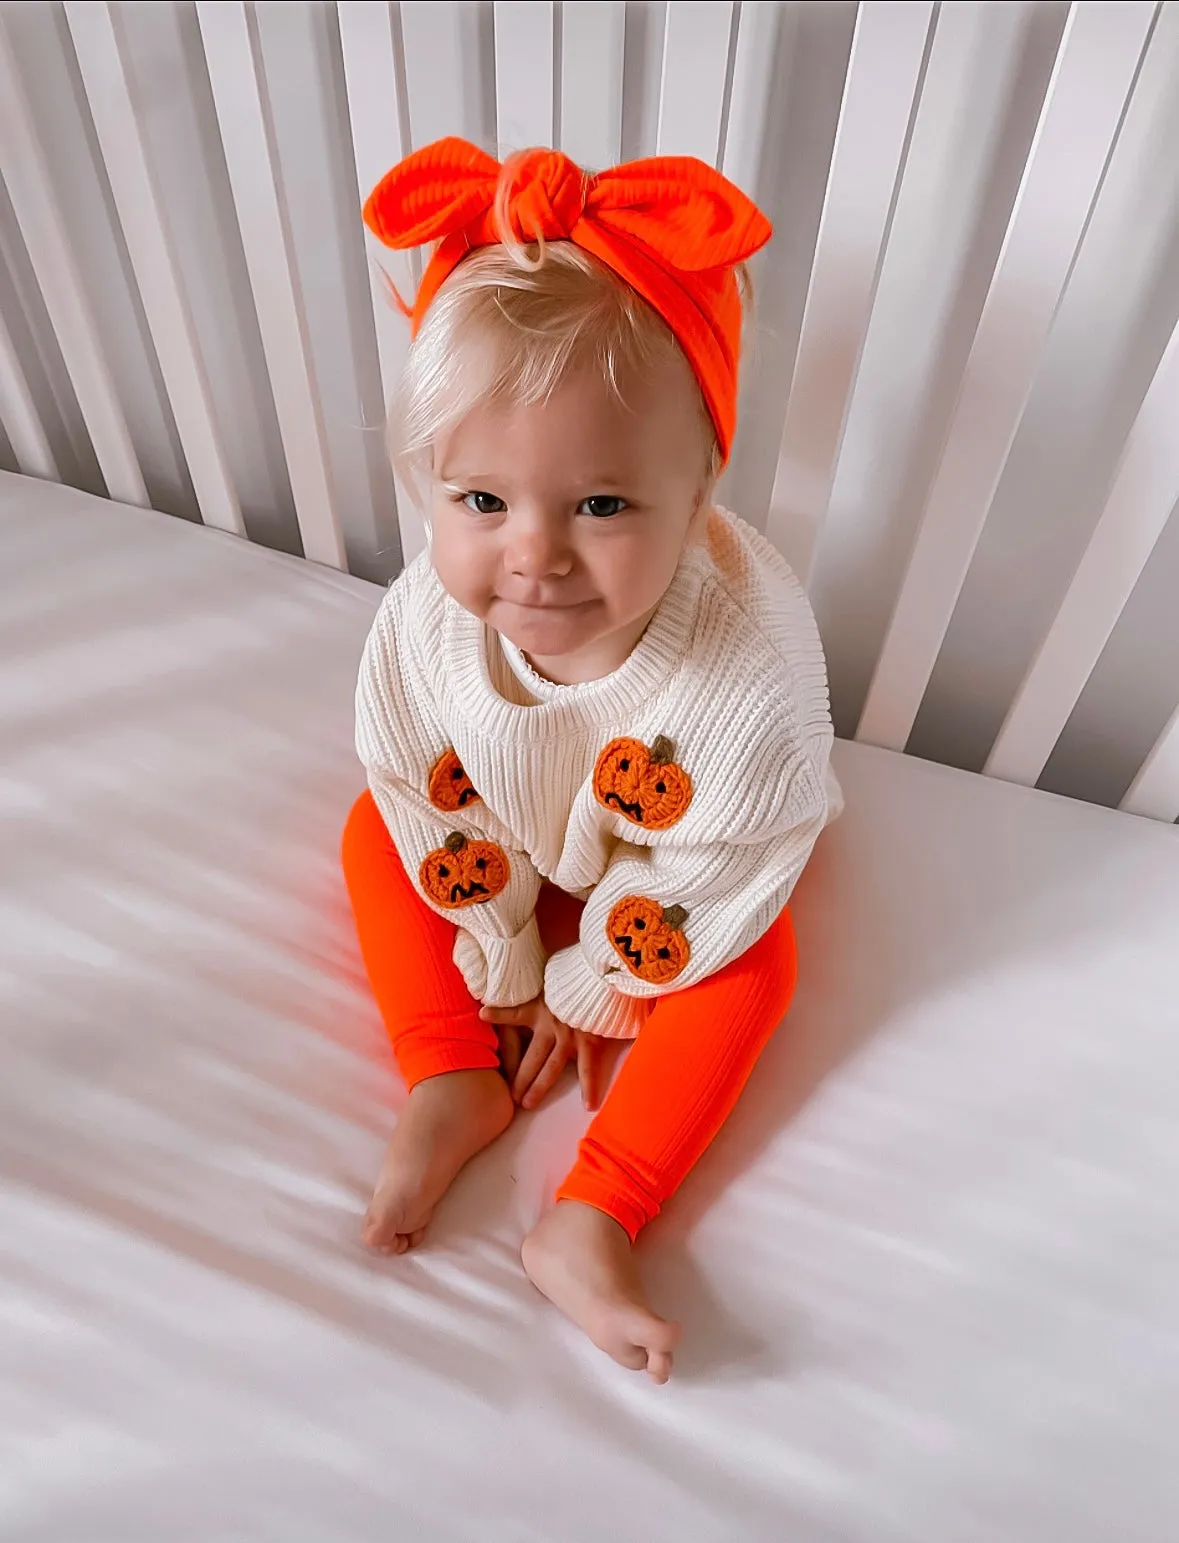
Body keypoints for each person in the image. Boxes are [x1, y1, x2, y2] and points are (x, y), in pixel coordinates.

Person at [343, 137, 840, 1384]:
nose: (534, 558)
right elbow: (419, 783)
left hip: (673, 868)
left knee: (757, 960)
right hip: (509, 831)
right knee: (366, 825)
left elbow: (723, 866)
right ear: (435, 490)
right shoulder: (427, 621)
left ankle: (595, 1212)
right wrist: (503, 951)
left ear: (701, 486)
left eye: (602, 506)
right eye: (482, 501)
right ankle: (448, 1077)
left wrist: (592, 984)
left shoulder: (744, 675)